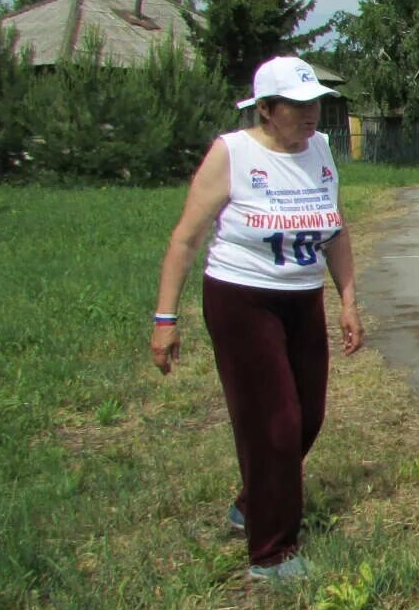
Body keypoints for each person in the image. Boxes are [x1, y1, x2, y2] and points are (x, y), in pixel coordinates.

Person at [150, 56, 363, 582]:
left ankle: (253, 500)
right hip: (242, 299)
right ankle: (271, 553)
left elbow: (334, 230)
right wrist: (165, 317)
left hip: (302, 297)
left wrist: (348, 300)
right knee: (274, 423)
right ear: (266, 109)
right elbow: (185, 238)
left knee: (307, 416)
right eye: (297, 106)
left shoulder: (320, 150)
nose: (311, 115)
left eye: (316, 103)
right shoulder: (233, 153)